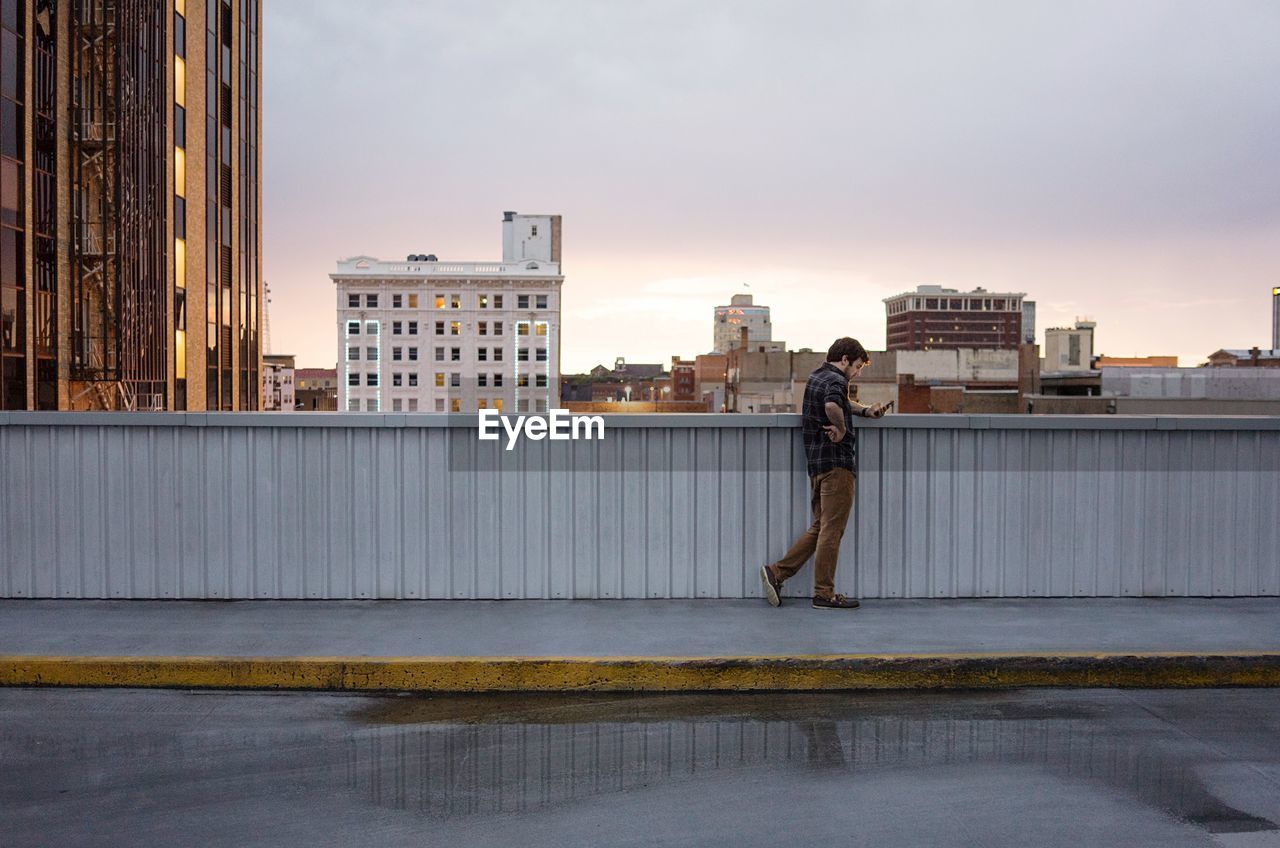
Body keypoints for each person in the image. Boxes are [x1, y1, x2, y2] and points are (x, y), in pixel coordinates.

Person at [761, 337, 887, 610]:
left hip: (817, 465)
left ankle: (777, 573)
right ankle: (824, 593)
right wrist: (841, 430)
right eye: (857, 367)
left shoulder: (817, 376)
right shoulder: (837, 380)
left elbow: (839, 401)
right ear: (844, 360)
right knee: (832, 531)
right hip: (837, 465)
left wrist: (865, 410)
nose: (857, 373)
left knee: (821, 527)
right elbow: (833, 406)